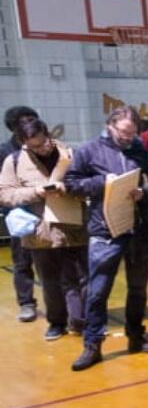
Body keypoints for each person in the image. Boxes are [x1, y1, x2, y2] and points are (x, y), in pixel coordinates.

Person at [66, 106, 148, 371]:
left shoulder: (141, 151)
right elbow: (71, 183)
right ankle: (92, 344)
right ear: (110, 125)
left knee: (138, 289)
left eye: (133, 134)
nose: (128, 138)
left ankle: (136, 336)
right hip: (104, 230)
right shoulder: (88, 150)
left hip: (137, 230)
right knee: (97, 291)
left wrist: (144, 191)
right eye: (124, 132)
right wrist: (100, 183)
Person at [0, 119, 88, 340]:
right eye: (36, 147)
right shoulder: (14, 161)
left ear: (48, 135)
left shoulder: (69, 154)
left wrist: (69, 188)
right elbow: (6, 194)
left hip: (73, 226)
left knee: (80, 278)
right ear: (23, 143)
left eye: (44, 143)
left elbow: (87, 184)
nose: (43, 149)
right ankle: (56, 323)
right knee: (50, 281)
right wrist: (37, 192)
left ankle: (81, 321)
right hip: (40, 232)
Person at [3, 105, 41, 322]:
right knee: (22, 261)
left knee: (55, 261)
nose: (29, 124)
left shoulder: (45, 147)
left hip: (47, 213)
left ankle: (65, 303)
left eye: (32, 119)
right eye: (24, 120)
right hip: (20, 216)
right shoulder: (5, 152)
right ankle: (26, 303)